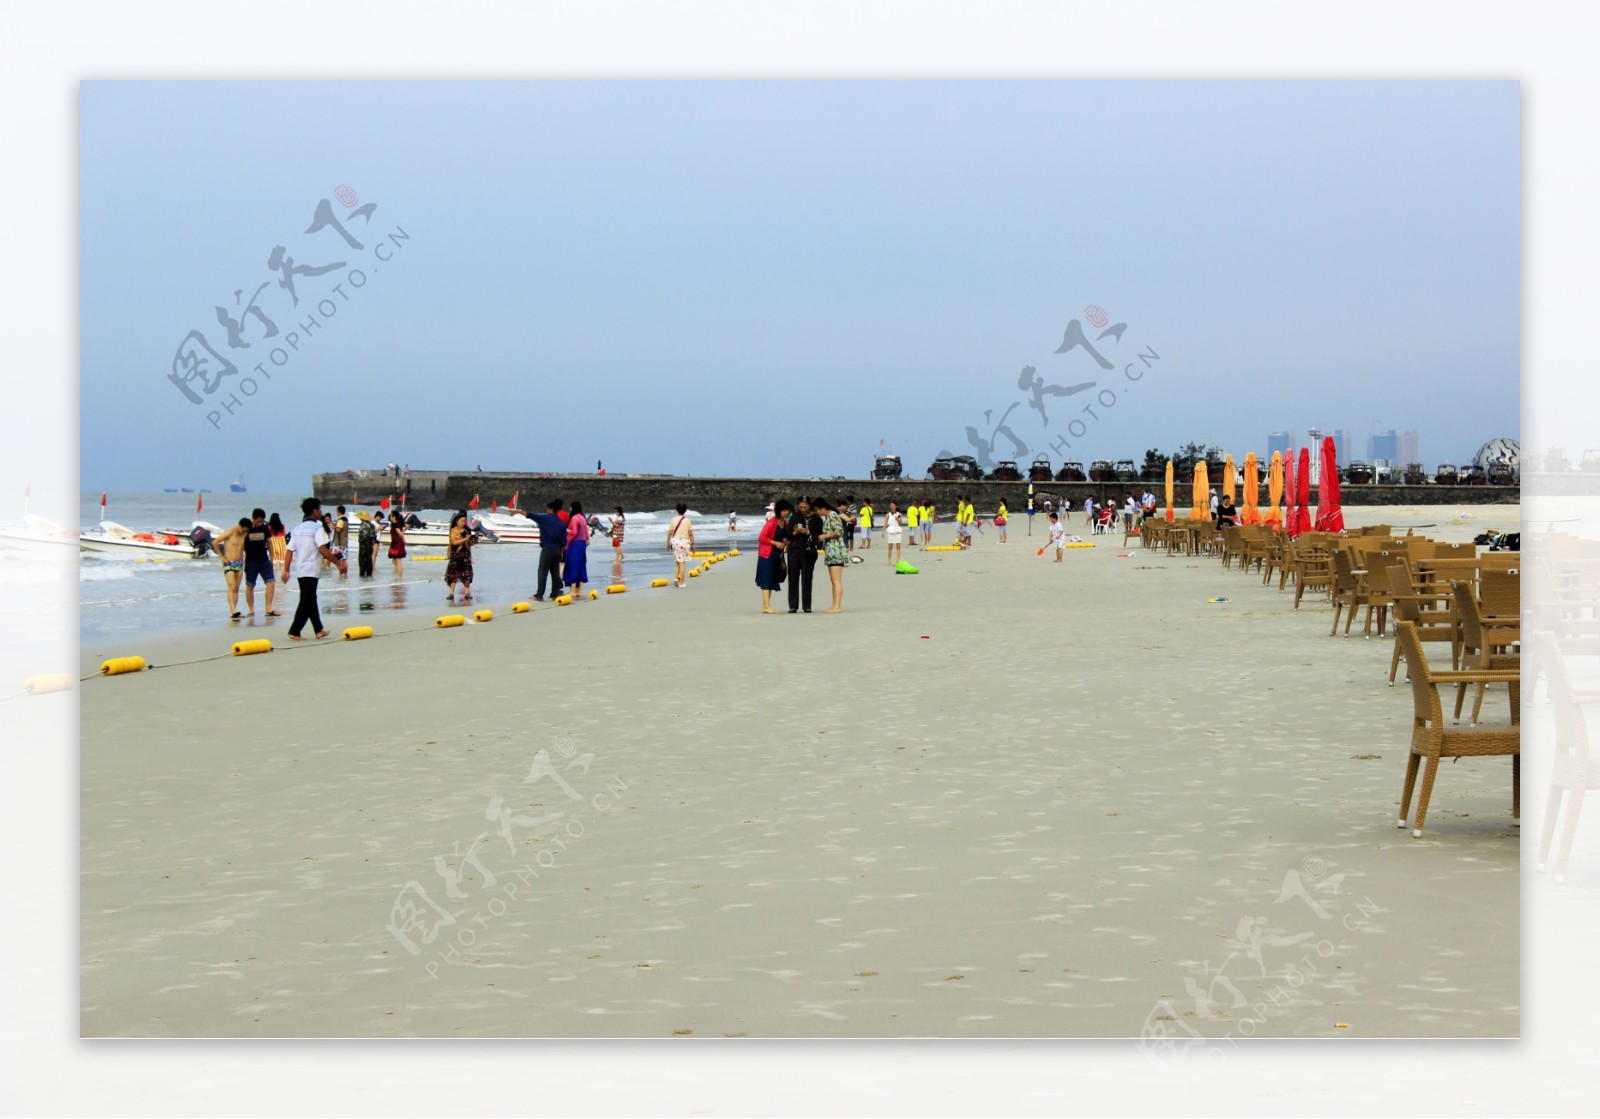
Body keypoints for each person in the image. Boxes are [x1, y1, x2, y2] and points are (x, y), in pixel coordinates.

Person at [282, 496, 346, 640]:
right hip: (311, 569)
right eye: (319, 509)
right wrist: (338, 563)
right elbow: (323, 550)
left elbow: (289, 551)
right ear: (314, 511)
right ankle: (295, 631)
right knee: (307, 600)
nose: (321, 512)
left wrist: (285, 570)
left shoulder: (297, 529)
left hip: (300, 569)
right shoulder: (317, 528)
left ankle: (318, 630)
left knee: (309, 598)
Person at [756, 499, 792, 614]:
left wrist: (785, 541)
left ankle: (766, 605)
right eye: (784, 510)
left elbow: (785, 536)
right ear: (778, 511)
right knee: (766, 579)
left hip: (776, 555)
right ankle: (766, 606)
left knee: (771, 579)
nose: (786, 513)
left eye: (787, 511)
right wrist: (776, 543)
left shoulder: (785, 523)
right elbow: (762, 538)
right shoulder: (772, 522)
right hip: (767, 554)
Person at [241, 508, 279, 615]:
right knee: (250, 585)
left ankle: (268, 608)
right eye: (258, 521)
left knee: (271, 582)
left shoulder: (265, 528)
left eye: (262, 521)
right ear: (253, 519)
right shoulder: (247, 529)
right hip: (251, 561)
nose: (260, 523)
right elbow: (241, 544)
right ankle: (251, 610)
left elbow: (270, 543)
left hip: (264, 560)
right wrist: (241, 558)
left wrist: (272, 558)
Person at [210, 516, 250, 618]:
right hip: (229, 563)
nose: (242, 532)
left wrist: (245, 557)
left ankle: (234, 612)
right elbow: (215, 542)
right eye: (242, 530)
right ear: (239, 525)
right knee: (231, 586)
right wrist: (221, 556)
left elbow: (244, 548)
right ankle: (233, 609)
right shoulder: (230, 532)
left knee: (236, 588)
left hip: (239, 564)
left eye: (245, 531)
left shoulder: (245, 535)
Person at [786, 497, 821, 613]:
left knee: (807, 577)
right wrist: (794, 532)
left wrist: (808, 532)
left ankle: (807, 605)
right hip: (794, 549)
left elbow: (819, 535)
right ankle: (793, 605)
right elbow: (787, 533)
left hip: (808, 550)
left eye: (805, 507)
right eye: (800, 507)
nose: (803, 509)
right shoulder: (795, 516)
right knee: (793, 577)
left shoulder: (816, 519)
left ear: (810, 506)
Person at [529, 501, 567, 600]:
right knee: (554, 572)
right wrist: (561, 553)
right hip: (557, 550)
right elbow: (563, 541)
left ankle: (539, 594)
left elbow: (532, 515)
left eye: (547, 509)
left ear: (551, 509)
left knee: (542, 571)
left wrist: (519, 512)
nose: (546, 510)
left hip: (547, 549)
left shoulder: (545, 518)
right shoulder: (561, 523)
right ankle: (555, 593)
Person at [815, 497, 847, 613]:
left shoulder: (833, 515)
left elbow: (839, 531)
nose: (816, 512)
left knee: (836, 580)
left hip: (836, 549)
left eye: (817, 509)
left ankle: (837, 606)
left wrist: (825, 536)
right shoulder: (827, 517)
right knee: (833, 580)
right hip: (830, 550)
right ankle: (834, 605)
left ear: (822, 508)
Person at [445, 510, 474, 603]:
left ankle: (466, 593)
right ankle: (451, 593)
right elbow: (454, 542)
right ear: (457, 521)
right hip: (456, 554)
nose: (463, 523)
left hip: (466, 554)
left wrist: (472, 540)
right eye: (461, 521)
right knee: (453, 574)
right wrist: (465, 538)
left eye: (464, 521)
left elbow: (470, 544)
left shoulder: (467, 530)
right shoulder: (453, 531)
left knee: (467, 574)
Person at [564, 500, 590, 599]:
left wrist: (567, 533)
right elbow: (586, 532)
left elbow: (574, 532)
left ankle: (572, 591)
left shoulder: (574, 518)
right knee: (581, 565)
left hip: (575, 543)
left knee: (572, 565)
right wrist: (587, 540)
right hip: (582, 543)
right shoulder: (582, 518)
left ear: (573, 508)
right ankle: (580, 591)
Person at [668, 502, 694, 587]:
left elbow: (670, 532)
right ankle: (682, 583)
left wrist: (667, 542)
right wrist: (693, 544)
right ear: (685, 510)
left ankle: (676, 578)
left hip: (675, 542)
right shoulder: (687, 520)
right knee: (682, 562)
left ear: (676, 510)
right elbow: (690, 534)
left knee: (677, 561)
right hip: (684, 542)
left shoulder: (673, 519)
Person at [883, 500, 904, 566]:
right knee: (890, 547)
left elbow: (901, 523)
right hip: (890, 530)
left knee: (898, 547)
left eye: (892, 505)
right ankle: (889, 561)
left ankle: (898, 560)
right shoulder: (888, 515)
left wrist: (897, 519)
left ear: (896, 506)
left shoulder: (899, 514)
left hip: (897, 530)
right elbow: (885, 523)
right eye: (890, 505)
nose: (891, 506)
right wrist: (883, 531)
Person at [268, 512, 288, 580]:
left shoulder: (269, 527)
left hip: (273, 545)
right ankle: (283, 581)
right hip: (281, 545)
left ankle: (272, 580)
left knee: (274, 564)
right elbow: (284, 535)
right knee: (282, 564)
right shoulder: (282, 526)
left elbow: (268, 537)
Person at [357, 513, 378, 578]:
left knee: (362, 563)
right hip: (369, 546)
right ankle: (369, 576)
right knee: (369, 562)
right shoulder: (371, 525)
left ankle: (362, 577)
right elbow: (374, 537)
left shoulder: (362, 525)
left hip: (363, 546)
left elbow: (362, 537)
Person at [387, 510, 407, 578]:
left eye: (391, 516)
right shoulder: (398, 523)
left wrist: (404, 540)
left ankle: (399, 576)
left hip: (397, 543)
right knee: (394, 559)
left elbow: (400, 533)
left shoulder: (396, 524)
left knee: (398, 559)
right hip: (394, 543)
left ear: (394, 517)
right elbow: (407, 526)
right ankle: (398, 573)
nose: (390, 517)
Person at [332, 505, 350, 577]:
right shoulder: (346, 519)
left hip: (340, 542)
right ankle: (345, 573)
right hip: (345, 541)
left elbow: (338, 530)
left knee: (341, 559)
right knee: (344, 558)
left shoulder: (340, 520)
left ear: (338, 511)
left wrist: (333, 526)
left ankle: (342, 573)